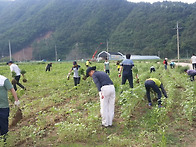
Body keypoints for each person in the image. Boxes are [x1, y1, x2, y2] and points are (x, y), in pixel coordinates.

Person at [0, 75, 20, 142]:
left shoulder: (3, 79)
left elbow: (12, 89)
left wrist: (16, 100)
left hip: (3, 106)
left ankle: (4, 140)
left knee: (3, 124)